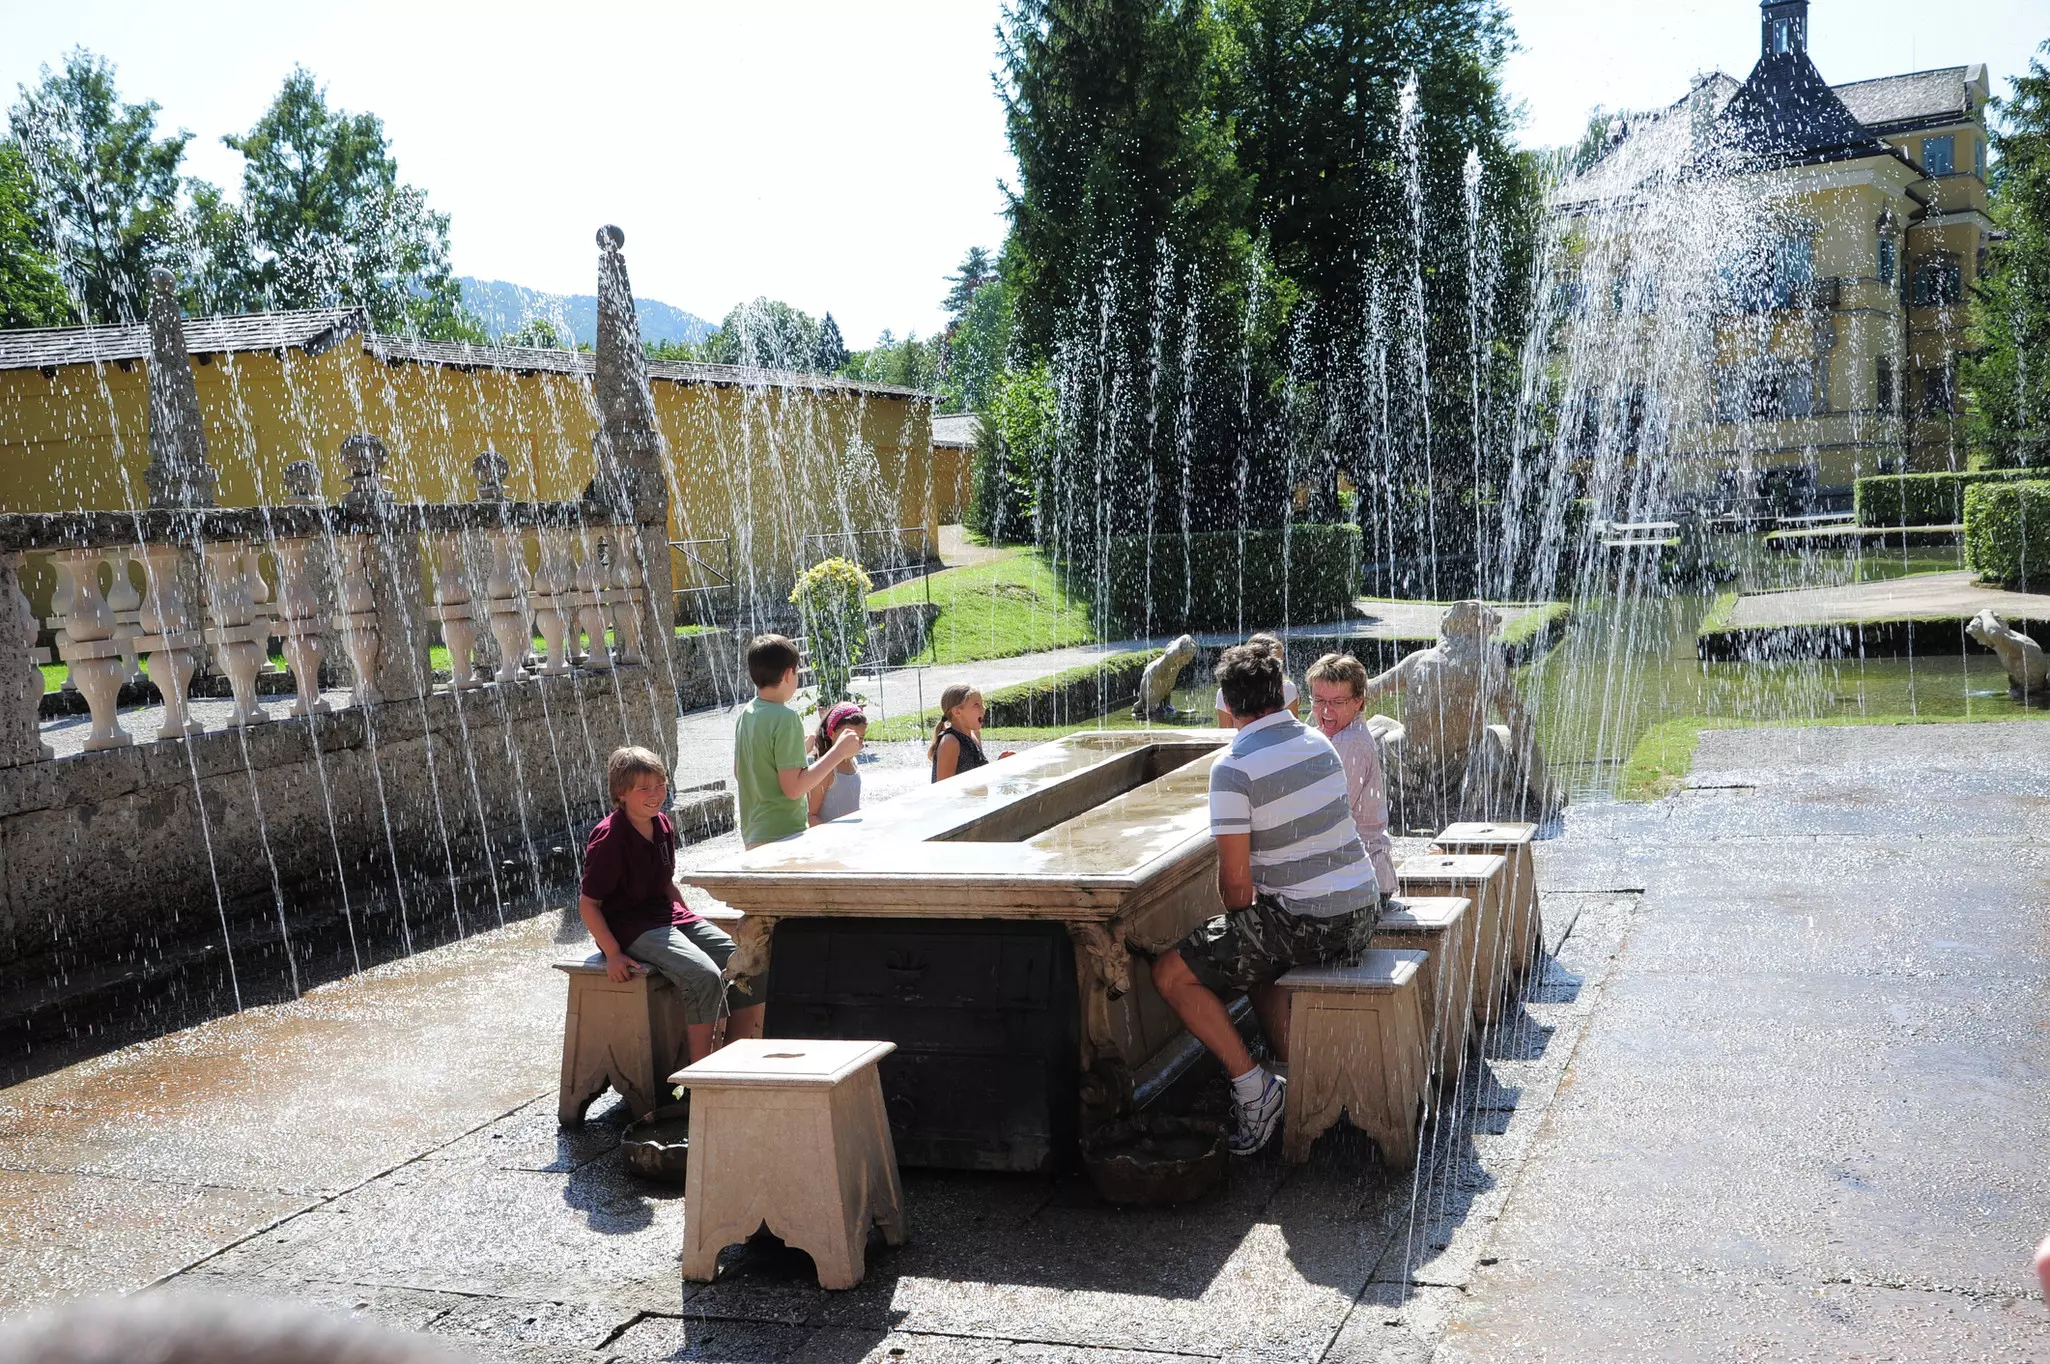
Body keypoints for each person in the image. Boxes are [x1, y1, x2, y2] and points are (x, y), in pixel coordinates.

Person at [1152, 644, 1383, 1157]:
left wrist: (1233, 936)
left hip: (1314, 925)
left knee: (1171, 973)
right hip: (1363, 911)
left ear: (1229, 708)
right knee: (1254, 948)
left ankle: (1253, 1090)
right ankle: (1291, 1071)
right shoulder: (1317, 742)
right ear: (1283, 694)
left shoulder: (1233, 768)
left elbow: (1236, 888)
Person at [578, 746, 762, 1082]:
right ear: (621, 793)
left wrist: (692, 922)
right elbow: (588, 904)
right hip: (630, 927)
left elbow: (665, 884)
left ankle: (736, 1063)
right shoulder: (610, 837)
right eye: (643, 788)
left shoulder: (661, 824)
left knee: (749, 961)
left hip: (667, 916)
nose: (655, 794)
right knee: (704, 975)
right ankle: (703, 1080)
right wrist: (614, 953)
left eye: (660, 784)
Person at [735, 633, 862, 847]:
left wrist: (797, 753)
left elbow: (742, 772)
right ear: (788, 674)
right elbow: (794, 789)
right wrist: (838, 752)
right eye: (797, 672)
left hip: (754, 833)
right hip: (784, 835)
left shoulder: (746, 714)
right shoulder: (786, 718)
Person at [1304, 652, 1398, 899]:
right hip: (1354, 876)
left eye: (1337, 702)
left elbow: (1328, 814)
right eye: (1319, 700)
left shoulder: (1349, 743)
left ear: (1358, 701)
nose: (1325, 710)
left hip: (1361, 884)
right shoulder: (1335, 734)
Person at [1213, 632, 1300, 727]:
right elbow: (1226, 731)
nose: (1278, 668)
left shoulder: (1288, 689)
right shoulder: (1226, 693)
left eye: (1280, 662)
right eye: (1275, 662)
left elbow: (1293, 727)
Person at [809, 701, 869, 824]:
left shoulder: (853, 761)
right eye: (848, 736)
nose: (855, 742)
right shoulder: (826, 769)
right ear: (833, 734)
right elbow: (810, 816)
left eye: (861, 737)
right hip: (832, 838)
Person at [929, 683, 988, 782]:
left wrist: (1000, 763)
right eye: (976, 704)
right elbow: (943, 789)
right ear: (957, 712)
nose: (983, 708)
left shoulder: (974, 734)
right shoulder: (950, 742)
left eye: (982, 703)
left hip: (975, 797)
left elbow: (980, 775)